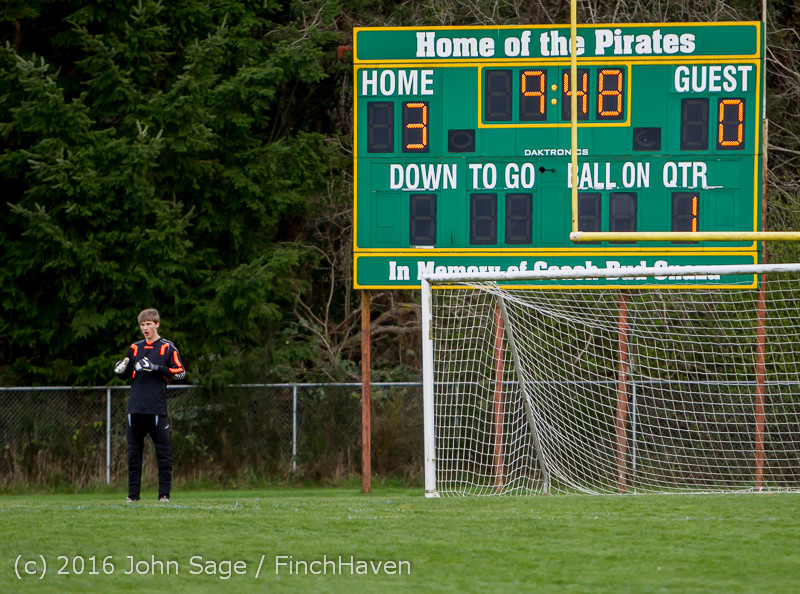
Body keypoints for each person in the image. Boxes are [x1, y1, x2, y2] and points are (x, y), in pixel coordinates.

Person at [114, 309, 185, 502]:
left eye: (149, 324)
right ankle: (132, 496)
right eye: (142, 325)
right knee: (133, 455)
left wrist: (156, 368)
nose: (145, 328)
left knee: (163, 454)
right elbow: (129, 372)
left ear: (157, 324)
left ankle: (163, 495)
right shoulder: (135, 348)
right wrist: (121, 370)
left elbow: (180, 373)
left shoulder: (167, 347)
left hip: (156, 409)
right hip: (135, 409)